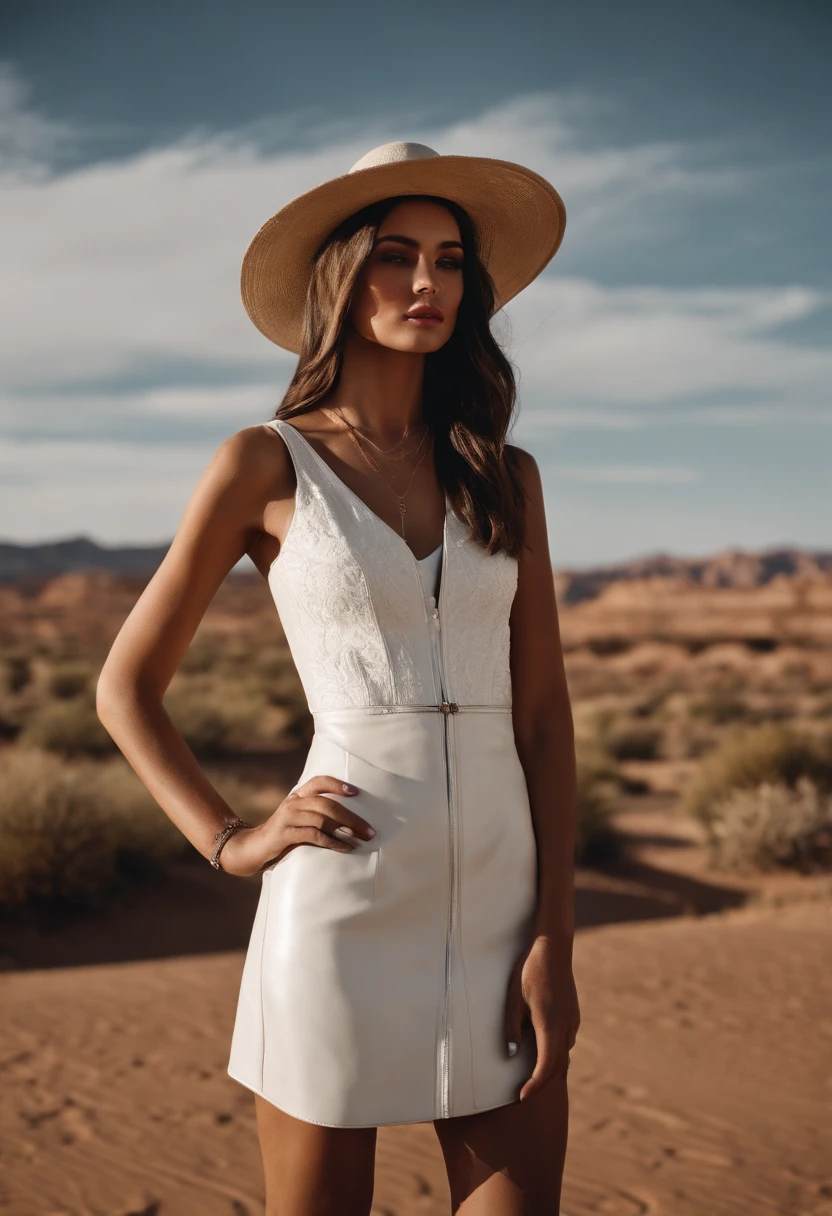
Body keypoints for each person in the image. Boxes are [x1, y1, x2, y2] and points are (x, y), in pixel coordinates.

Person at [97, 140, 580, 1215]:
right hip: (340, 909)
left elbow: (543, 721)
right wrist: (231, 840)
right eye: (395, 256)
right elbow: (123, 687)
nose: (427, 284)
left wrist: (554, 934)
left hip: (505, 916)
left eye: (450, 261)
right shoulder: (262, 463)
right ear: (338, 277)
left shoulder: (507, 477)